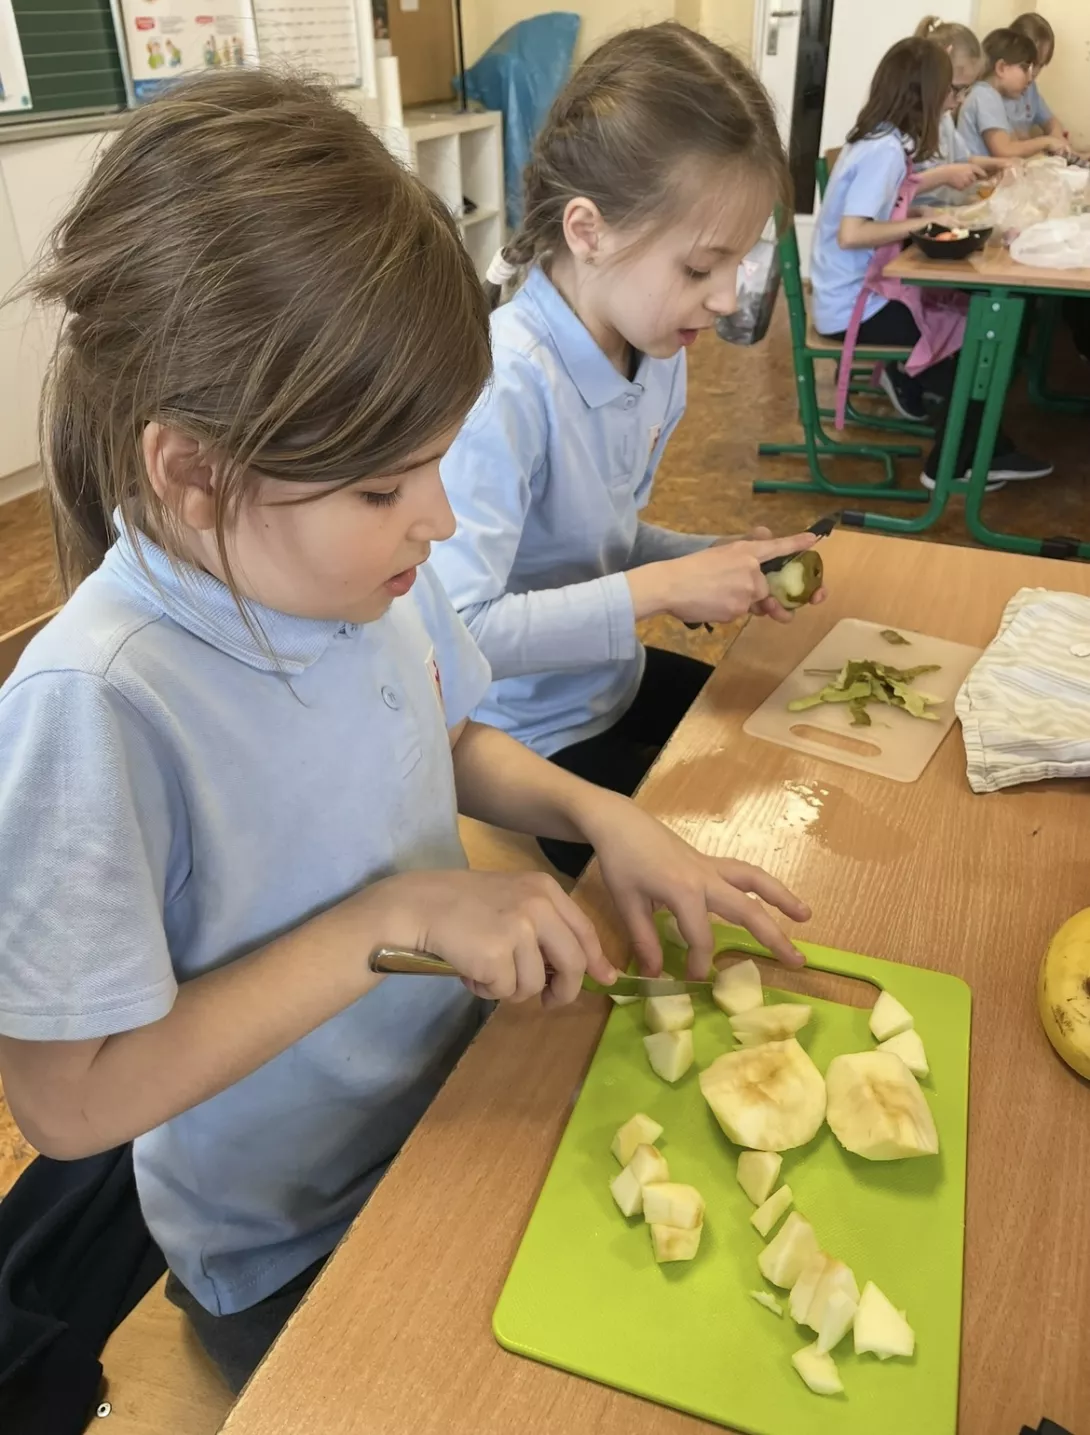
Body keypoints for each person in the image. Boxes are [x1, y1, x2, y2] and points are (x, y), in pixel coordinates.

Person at [0, 70, 812, 1394]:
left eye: (437, 462)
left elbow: (444, 737)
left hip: (451, 1092)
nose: (437, 517)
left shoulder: (364, 568)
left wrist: (599, 814)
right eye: (385, 485)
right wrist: (398, 918)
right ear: (193, 471)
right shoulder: (99, 702)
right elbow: (69, 1100)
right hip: (290, 1240)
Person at [429, 23, 825, 879]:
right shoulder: (507, 386)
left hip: (610, 681)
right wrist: (665, 588)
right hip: (524, 743)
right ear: (588, 231)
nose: (726, 299)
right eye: (700, 268)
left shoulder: (655, 349)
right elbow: (458, 629)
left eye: (738, 264)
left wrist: (712, 556)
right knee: (715, 876)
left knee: (792, 753)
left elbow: (602, 540)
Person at [810, 36, 1051, 487]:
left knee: (979, 333)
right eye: (952, 91)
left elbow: (884, 205)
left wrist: (920, 209)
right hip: (854, 307)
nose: (955, 101)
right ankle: (947, 467)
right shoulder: (884, 151)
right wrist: (920, 223)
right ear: (926, 94)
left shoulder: (882, 138)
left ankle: (989, 449)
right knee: (980, 348)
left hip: (858, 295)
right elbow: (853, 233)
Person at [912, 18, 1011, 209]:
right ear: (933, 75)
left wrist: (1001, 164)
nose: (961, 99)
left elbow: (963, 159)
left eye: (967, 90)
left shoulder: (944, 119)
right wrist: (945, 175)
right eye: (957, 89)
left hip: (942, 208)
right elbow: (895, 191)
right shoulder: (904, 127)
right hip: (912, 216)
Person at [957, 28, 1070, 160]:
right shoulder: (984, 95)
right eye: (1025, 69)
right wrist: (1046, 142)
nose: (1030, 78)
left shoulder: (990, 95)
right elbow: (1005, 150)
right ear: (1001, 68)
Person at [1009, 13, 1070, 146]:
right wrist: (1045, 142)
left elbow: (1050, 120)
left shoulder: (1031, 89)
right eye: (1029, 64)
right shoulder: (992, 92)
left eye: (1040, 66)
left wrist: (1056, 135)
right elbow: (1008, 140)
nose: (1034, 73)